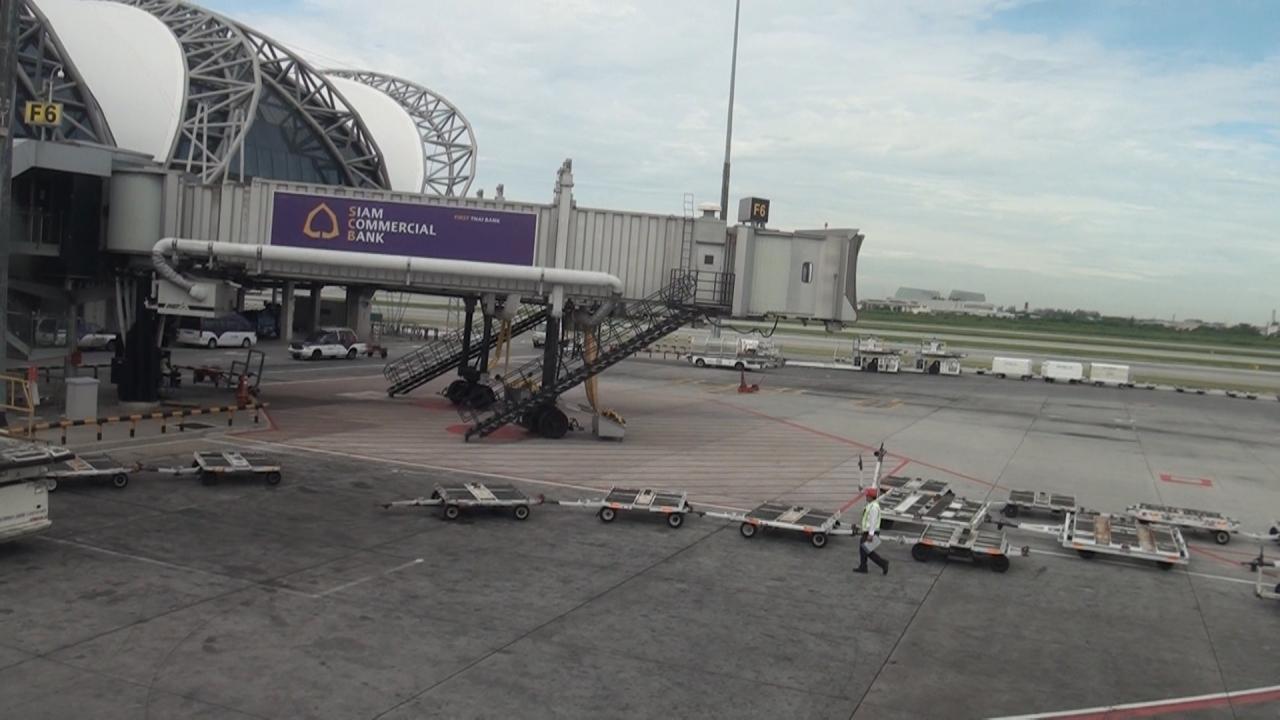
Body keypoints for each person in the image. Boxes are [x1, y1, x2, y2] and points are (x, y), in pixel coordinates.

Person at [854, 487, 889, 575]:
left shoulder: (873, 507)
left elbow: (873, 521)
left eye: (867, 495)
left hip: (871, 532)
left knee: (866, 551)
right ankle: (863, 567)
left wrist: (871, 534)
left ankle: (883, 563)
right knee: (864, 550)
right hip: (868, 531)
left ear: (870, 497)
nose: (866, 497)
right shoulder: (871, 505)